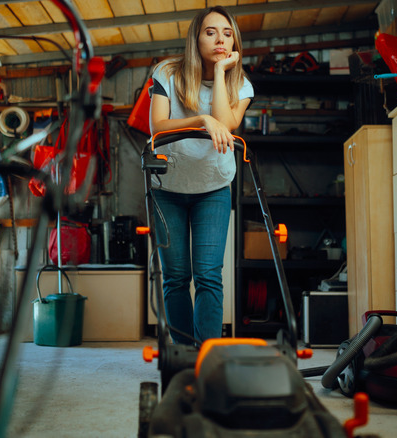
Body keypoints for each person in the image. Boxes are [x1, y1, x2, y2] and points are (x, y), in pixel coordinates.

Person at [148, 6, 253, 344]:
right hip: (167, 186)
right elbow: (157, 129)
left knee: (208, 275)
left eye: (226, 32)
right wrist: (200, 120)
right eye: (210, 32)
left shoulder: (242, 86)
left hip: (212, 188)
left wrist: (222, 71)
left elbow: (224, 124)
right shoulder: (167, 72)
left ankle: (207, 354)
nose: (220, 39)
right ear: (196, 38)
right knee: (176, 277)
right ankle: (182, 353)